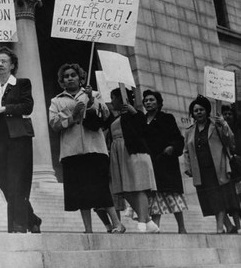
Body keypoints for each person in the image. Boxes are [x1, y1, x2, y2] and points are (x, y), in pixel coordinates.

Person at [49, 63, 125, 233]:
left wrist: (91, 100)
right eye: (66, 76)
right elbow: (54, 123)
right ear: (62, 81)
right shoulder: (57, 100)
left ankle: (117, 224)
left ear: (80, 77)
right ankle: (88, 229)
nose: (70, 78)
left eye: (73, 75)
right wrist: (72, 115)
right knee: (80, 192)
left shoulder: (94, 94)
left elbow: (105, 115)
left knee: (100, 188)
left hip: (94, 149)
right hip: (71, 151)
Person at [0, 46, 41, 233]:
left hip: (17, 137)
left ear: (12, 65)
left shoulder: (22, 83)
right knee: (4, 181)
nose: (0, 64)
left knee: (17, 180)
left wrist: (3, 109)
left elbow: (27, 106)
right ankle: (32, 218)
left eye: (4, 61)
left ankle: (18, 225)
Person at [184, 95, 240, 234]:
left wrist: (224, 124)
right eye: (196, 110)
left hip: (218, 168)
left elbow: (230, 140)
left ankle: (219, 228)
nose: (198, 113)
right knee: (211, 199)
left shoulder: (216, 125)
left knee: (218, 198)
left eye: (201, 110)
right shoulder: (189, 131)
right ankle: (229, 226)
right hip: (201, 171)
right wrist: (188, 167)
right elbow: (186, 151)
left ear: (207, 111)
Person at [108, 88, 159, 233]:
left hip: (134, 152)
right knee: (125, 189)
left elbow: (145, 129)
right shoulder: (115, 117)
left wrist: (134, 112)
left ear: (121, 98)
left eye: (113, 98)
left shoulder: (135, 115)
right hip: (119, 154)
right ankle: (148, 221)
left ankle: (142, 220)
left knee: (139, 186)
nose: (111, 102)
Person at [142, 90, 188, 233]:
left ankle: (182, 227)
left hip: (166, 162)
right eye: (146, 100)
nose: (148, 102)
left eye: (151, 100)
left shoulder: (167, 118)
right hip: (150, 162)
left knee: (172, 194)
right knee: (155, 196)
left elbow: (178, 138)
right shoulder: (142, 121)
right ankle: (156, 227)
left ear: (159, 103)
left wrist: (172, 147)